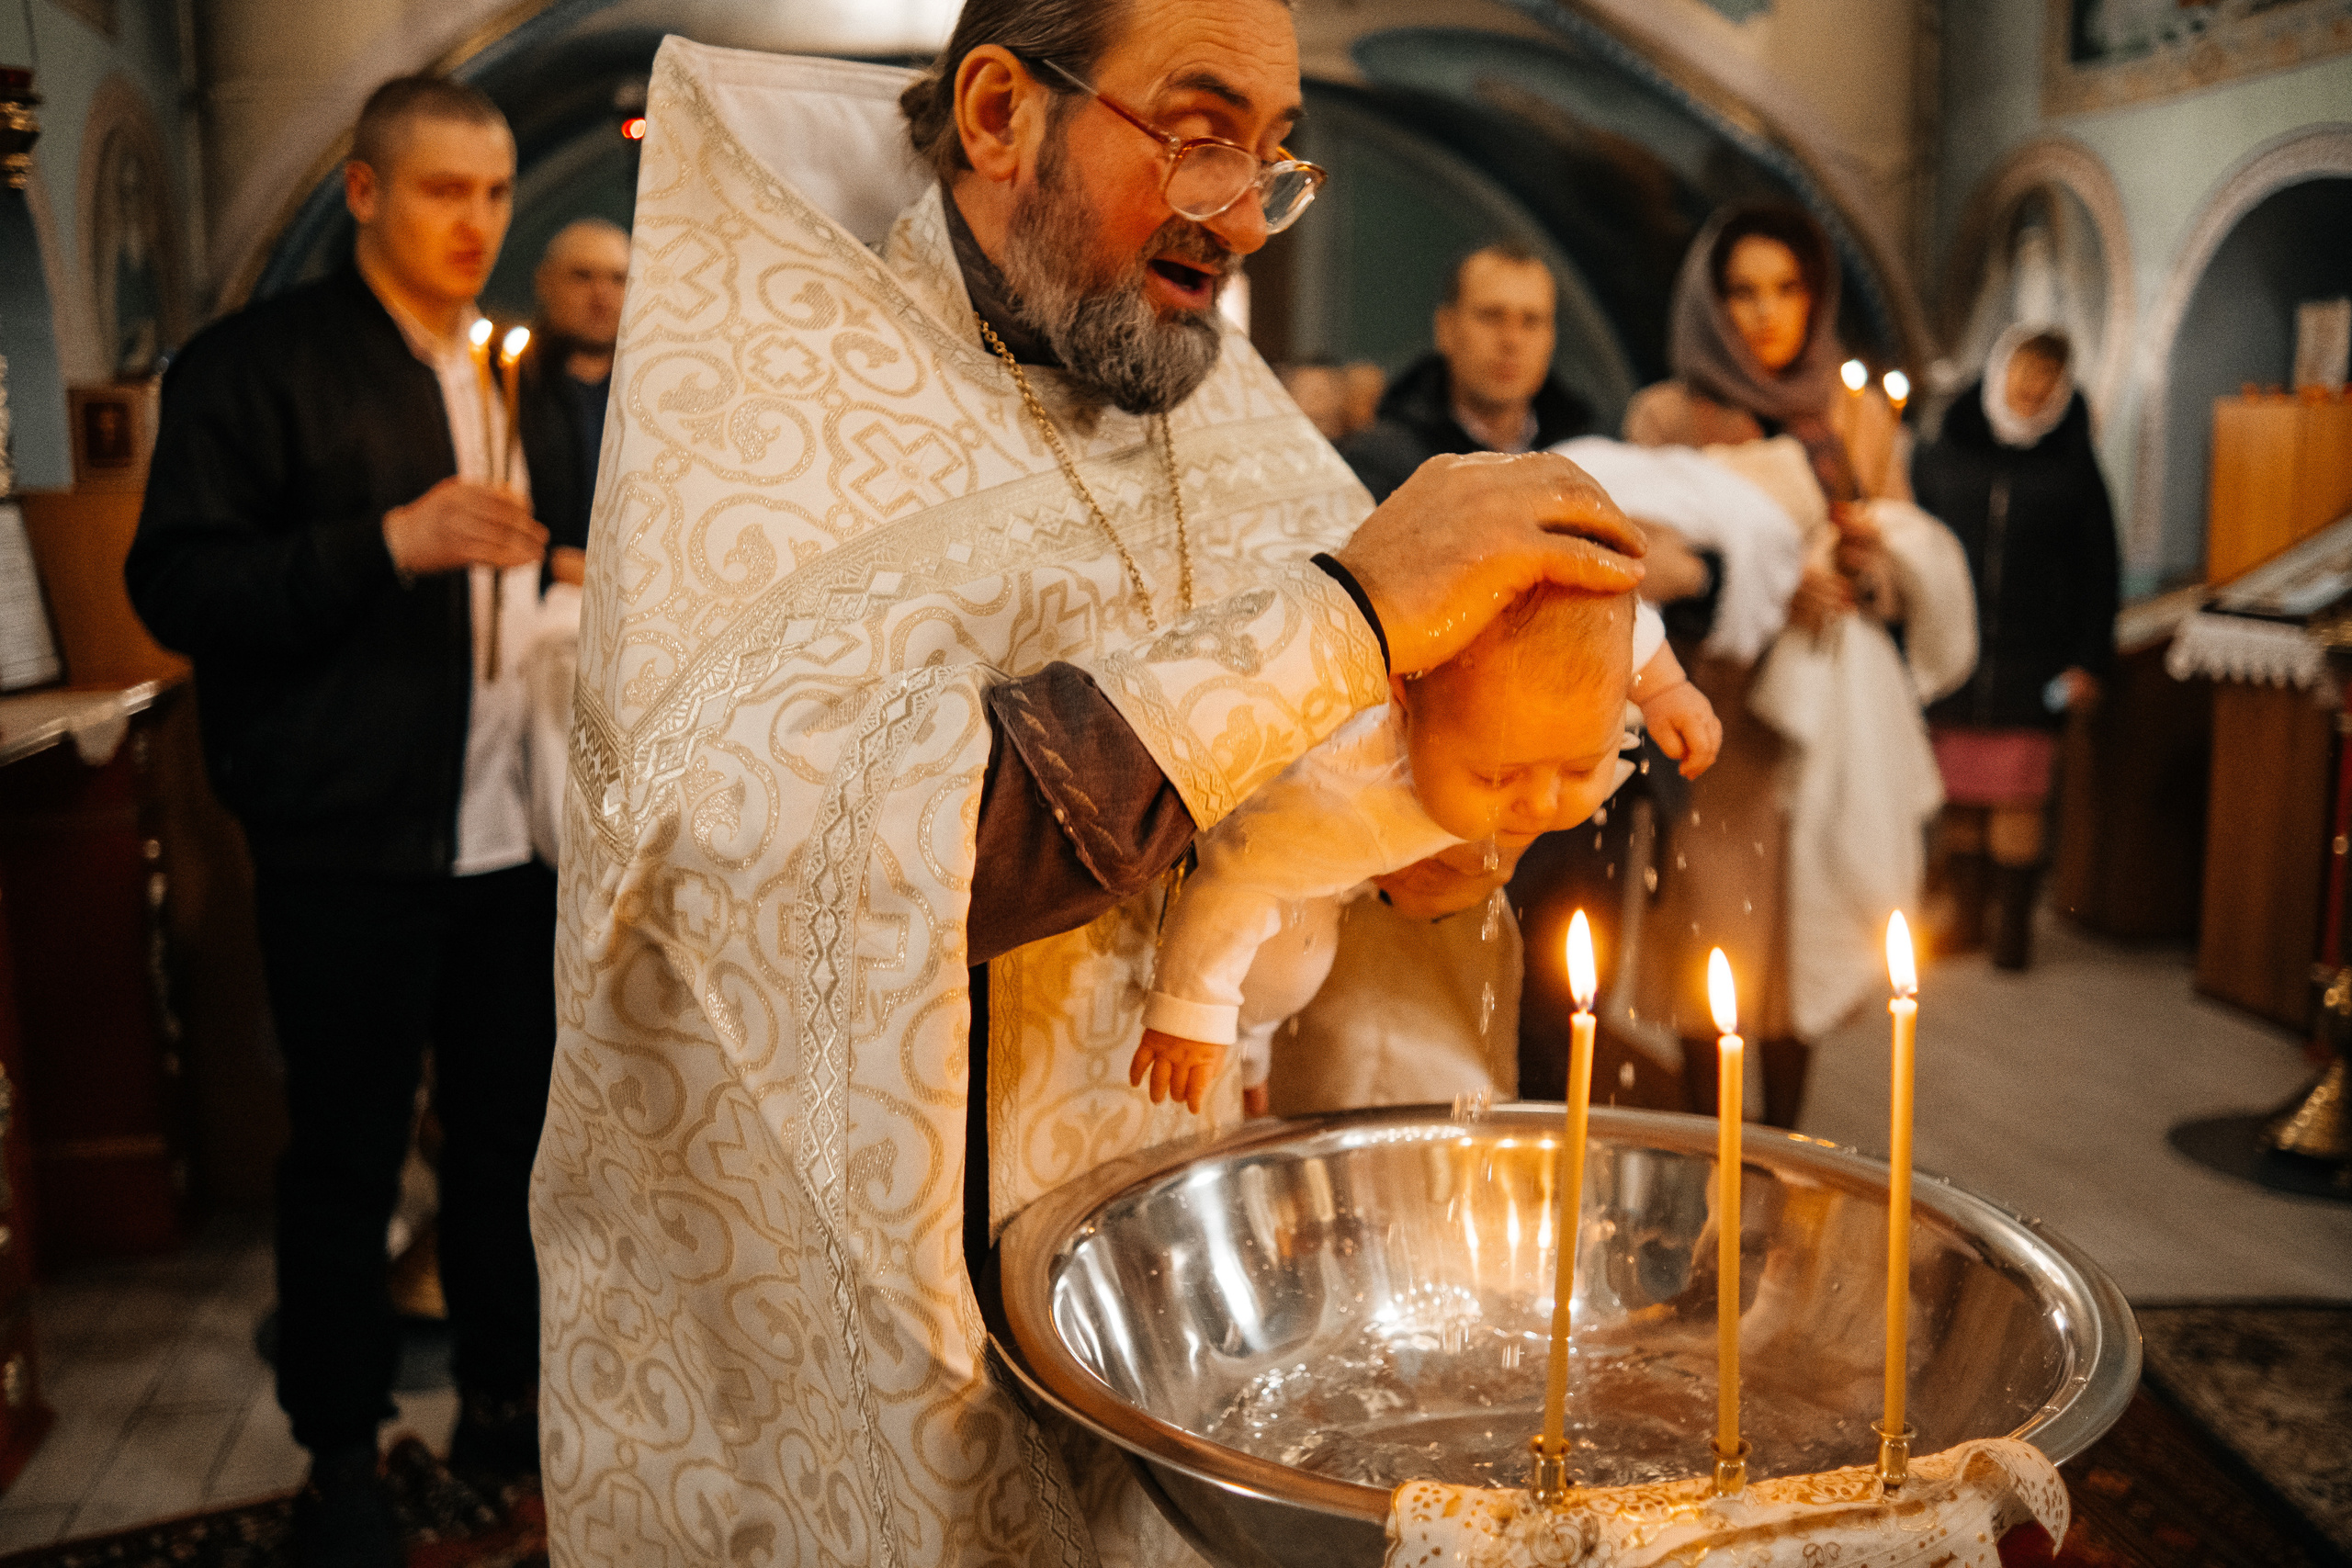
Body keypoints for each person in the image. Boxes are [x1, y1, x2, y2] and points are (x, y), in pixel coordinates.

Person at [527, 5, 1649, 1563]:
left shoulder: (1216, 400)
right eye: (1198, 138)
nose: (1243, 217)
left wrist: (1444, 818)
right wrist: (1344, 619)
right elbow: (790, 853)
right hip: (880, 1334)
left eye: (1277, 158)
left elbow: (1368, 750)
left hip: (1179, 1288)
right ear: (1000, 112)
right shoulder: (779, 401)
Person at [125, 75, 571, 1566]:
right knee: (348, 1156)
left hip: (509, 833)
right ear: (367, 192)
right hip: (348, 838)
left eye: (494, 192)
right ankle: (339, 1452)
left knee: (510, 1149)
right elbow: (177, 584)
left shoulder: (499, 367)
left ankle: (502, 1409)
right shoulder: (258, 366)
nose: (478, 222)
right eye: (444, 190)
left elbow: (512, 568)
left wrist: (560, 574)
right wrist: (387, 540)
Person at [1618, 202, 1972, 1127]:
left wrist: (1864, 568)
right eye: (1742, 292)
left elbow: (1895, 558)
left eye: (1786, 288)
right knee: (1713, 943)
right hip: (1714, 713)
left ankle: (1778, 1155)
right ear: (1711, 304)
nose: (1766, 312)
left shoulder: (1852, 417)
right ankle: (1707, 1158)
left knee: (1802, 941)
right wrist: (1770, 585)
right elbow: (1642, 566)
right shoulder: (1668, 415)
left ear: (1815, 299)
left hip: (1822, 713)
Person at [1132, 586, 1720, 1116]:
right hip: (1244, 846)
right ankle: (1248, 1045)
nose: (1542, 804)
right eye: (1498, 776)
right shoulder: (1338, 796)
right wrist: (1192, 1010)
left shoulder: (1544, 681)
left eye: (1580, 767)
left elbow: (1631, 630)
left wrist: (1667, 691)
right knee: (1285, 969)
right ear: (1402, 702)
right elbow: (1236, 879)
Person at [1912, 325, 2118, 969]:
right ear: (2000, 370)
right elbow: (1913, 543)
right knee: (1960, 796)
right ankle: (1968, 920)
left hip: (2035, 658)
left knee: (2018, 792)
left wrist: (2088, 659)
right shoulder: (1945, 450)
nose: (2034, 385)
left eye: (2048, 376)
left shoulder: (2073, 464)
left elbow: (2098, 569)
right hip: (1952, 654)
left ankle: (2012, 933)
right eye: (2026, 369)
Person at [1339, 239, 1592, 501]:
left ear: (1552, 337)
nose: (1512, 340)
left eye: (1531, 321)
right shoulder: (1380, 465)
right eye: (1491, 317)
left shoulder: (1588, 457)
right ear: (1446, 329)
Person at [515, 216, 628, 581]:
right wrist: (548, 564)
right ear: (544, 282)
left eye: (619, 279)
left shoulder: (657, 396)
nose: (602, 295)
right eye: (582, 276)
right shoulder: (510, 386)